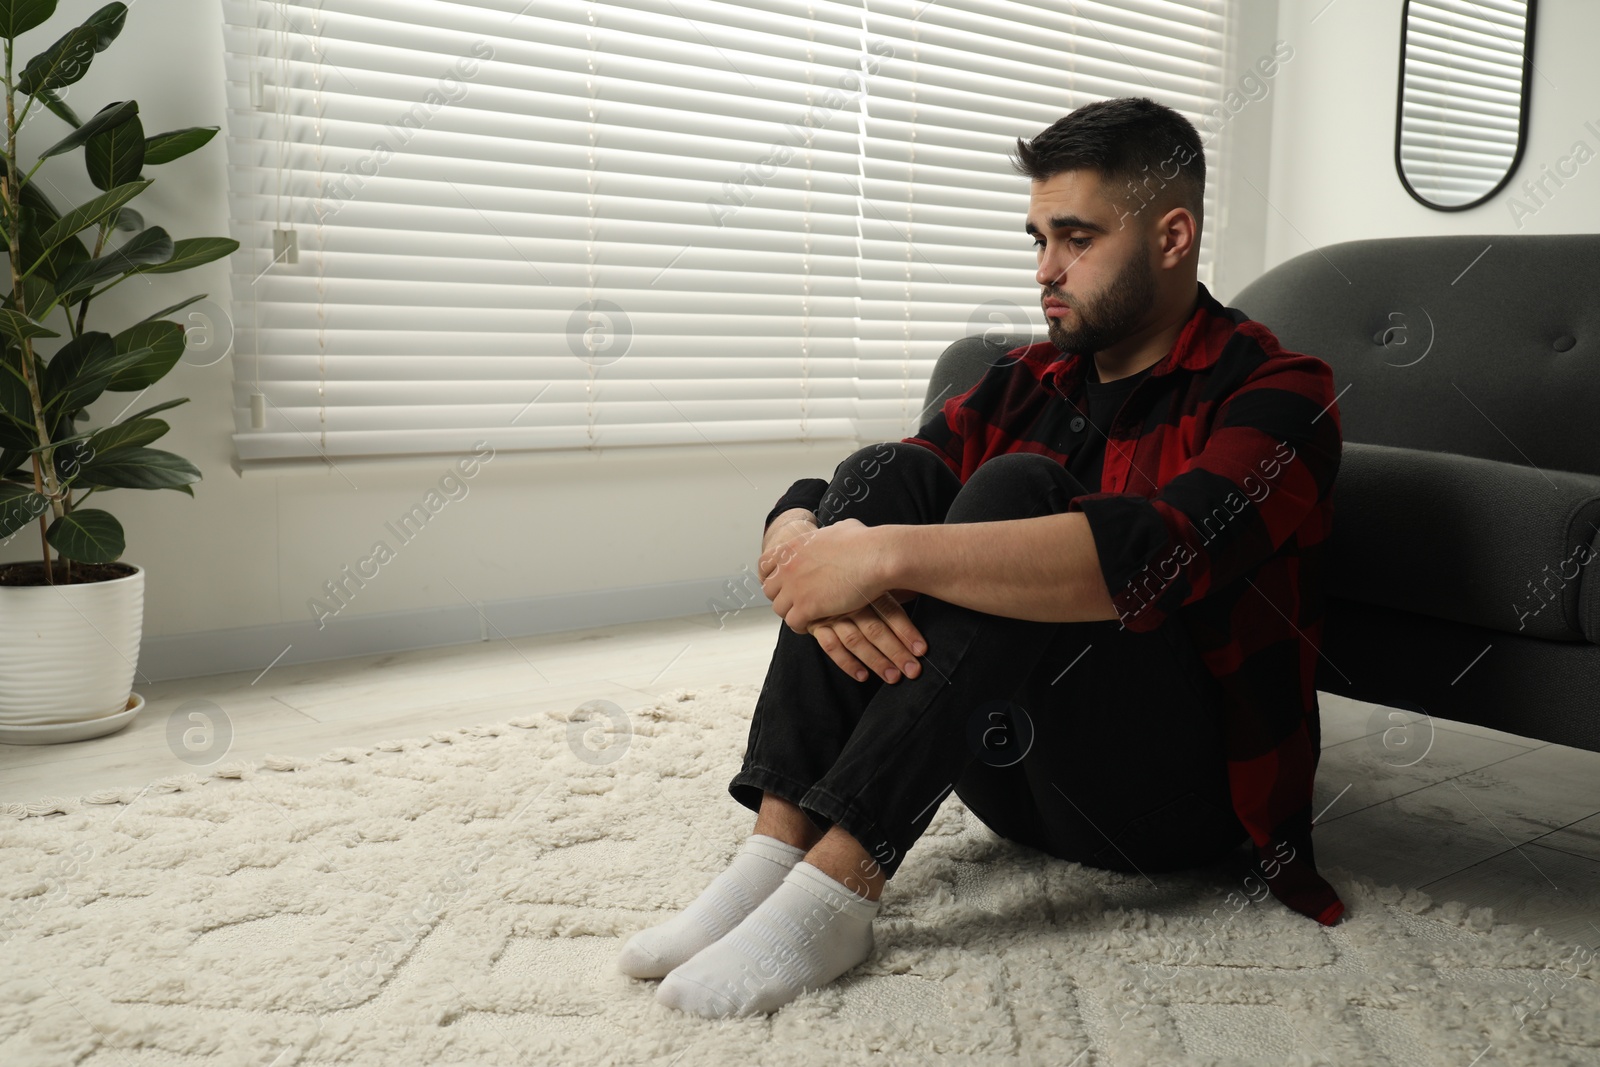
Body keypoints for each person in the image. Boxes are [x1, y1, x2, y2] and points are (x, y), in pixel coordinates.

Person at [617, 96, 1346, 1019]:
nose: (1046, 270)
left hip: (1170, 806)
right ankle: (774, 851)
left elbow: (1159, 553)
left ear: (1172, 236)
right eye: (1037, 237)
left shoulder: (1283, 392)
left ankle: (838, 890)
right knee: (877, 474)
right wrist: (797, 529)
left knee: (1011, 493)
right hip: (1008, 781)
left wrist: (882, 559)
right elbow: (881, 484)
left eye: (1075, 239)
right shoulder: (1028, 377)